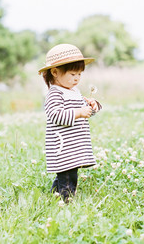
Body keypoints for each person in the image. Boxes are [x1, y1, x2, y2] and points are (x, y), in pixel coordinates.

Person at [38, 43, 101, 201]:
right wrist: (78, 112)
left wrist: (92, 106)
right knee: (67, 174)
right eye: (73, 74)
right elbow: (55, 115)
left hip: (74, 143)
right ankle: (66, 200)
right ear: (55, 72)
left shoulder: (75, 92)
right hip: (63, 145)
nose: (77, 78)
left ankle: (55, 196)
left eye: (79, 74)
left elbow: (84, 112)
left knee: (69, 173)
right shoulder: (55, 94)